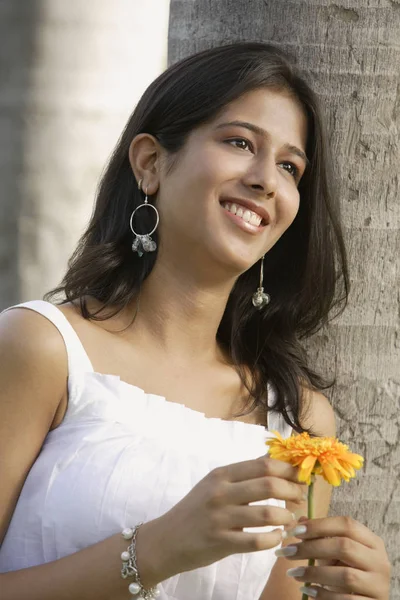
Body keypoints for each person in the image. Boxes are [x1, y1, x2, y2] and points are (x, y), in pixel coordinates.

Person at [0, 42, 391, 600]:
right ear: (150, 163)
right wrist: (156, 549)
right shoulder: (41, 349)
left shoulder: (297, 423)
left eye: (289, 166)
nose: (267, 180)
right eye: (239, 143)